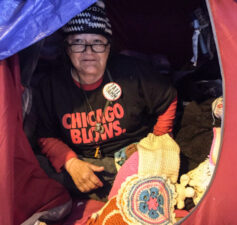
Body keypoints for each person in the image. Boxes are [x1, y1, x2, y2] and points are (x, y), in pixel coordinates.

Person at [36, 0, 177, 201]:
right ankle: (121, 192)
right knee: (37, 168)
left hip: (133, 157)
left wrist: (160, 141)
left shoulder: (132, 72)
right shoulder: (51, 86)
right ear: (67, 49)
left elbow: (168, 97)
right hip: (82, 163)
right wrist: (71, 163)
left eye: (97, 42)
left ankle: (121, 190)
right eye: (78, 43)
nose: (89, 52)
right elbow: (44, 135)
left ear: (108, 48)